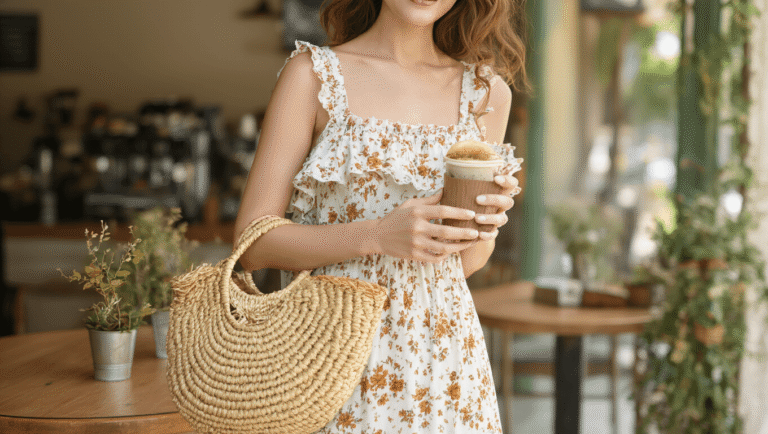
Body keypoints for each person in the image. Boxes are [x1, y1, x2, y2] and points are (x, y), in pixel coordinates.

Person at [234, 0, 529, 431]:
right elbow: (252, 245)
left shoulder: (487, 94)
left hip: (446, 365)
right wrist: (376, 235)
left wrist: (484, 226)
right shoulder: (314, 74)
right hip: (332, 361)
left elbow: (466, 263)